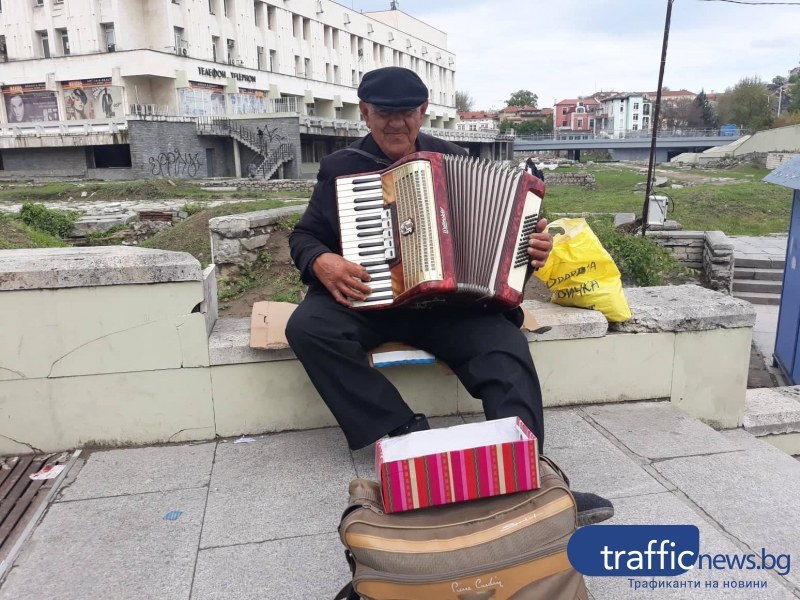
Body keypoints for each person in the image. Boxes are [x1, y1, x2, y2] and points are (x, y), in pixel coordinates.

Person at [286, 67, 613, 526]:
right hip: (374, 300)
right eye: (384, 113)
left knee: (506, 347)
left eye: (407, 113)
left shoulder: (453, 159)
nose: (396, 124)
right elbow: (305, 235)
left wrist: (532, 247)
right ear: (364, 112)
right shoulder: (342, 167)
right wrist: (322, 260)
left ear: (423, 113)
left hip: (446, 305)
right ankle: (402, 433)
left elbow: (509, 238)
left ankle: (530, 478)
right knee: (307, 327)